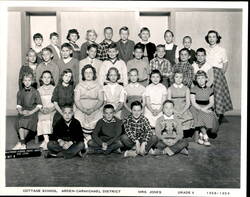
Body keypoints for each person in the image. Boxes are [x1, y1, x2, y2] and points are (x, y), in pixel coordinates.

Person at [205, 30, 233, 123]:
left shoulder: (222, 50)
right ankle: (209, 116)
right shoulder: (206, 50)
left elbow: (225, 63)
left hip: (217, 73)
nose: (211, 39)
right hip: (208, 74)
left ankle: (218, 117)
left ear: (217, 38)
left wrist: (221, 74)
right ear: (207, 38)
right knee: (209, 94)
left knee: (218, 95)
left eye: (213, 37)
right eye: (209, 37)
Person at [74, 65, 104, 147]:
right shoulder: (79, 85)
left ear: (94, 74)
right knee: (77, 118)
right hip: (81, 108)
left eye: (90, 72)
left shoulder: (98, 86)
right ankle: (85, 137)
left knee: (99, 118)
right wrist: (83, 110)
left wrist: (93, 109)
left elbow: (101, 100)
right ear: (83, 74)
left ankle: (93, 138)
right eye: (86, 72)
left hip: (95, 108)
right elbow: (76, 100)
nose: (88, 74)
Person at [12, 73, 42, 150]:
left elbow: (39, 105)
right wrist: (21, 112)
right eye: (25, 80)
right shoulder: (20, 92)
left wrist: (31, 112)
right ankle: (23, 143)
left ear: (32, 81)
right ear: (22, 81)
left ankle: (21, 143)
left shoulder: (35, 92)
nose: (27, 82)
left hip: (33, 112)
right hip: (23, 111)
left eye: (29, 80)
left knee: (26, 121)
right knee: (20, 121)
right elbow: (18, 105)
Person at [190, 70, 219, 145]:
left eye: (202, 78)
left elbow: (212, 102)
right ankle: (205, 136)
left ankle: (201, 135)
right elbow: (193, 102)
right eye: (198, 78)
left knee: (210, 115)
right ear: (196, 80)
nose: (200, 80)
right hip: (195, 107)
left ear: (206, 79)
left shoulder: (210, 89)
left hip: (206, 107)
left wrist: (205, 108)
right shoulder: (193, 89)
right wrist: (202, 109)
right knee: (200, 114)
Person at [37, 71, 56, 150]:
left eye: (48, 77)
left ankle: (49, 140)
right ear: (41, 78)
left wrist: (51, 109)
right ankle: (46, 140)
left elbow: (56, 102)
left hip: (53, 109)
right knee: (42, 117)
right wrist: (41, 109)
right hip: (43, 109)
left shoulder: (54, 89)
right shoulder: (39, 90)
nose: (46, 79)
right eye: (44, 77)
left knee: (51, 117)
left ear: (51, 79)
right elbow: (37, 103)